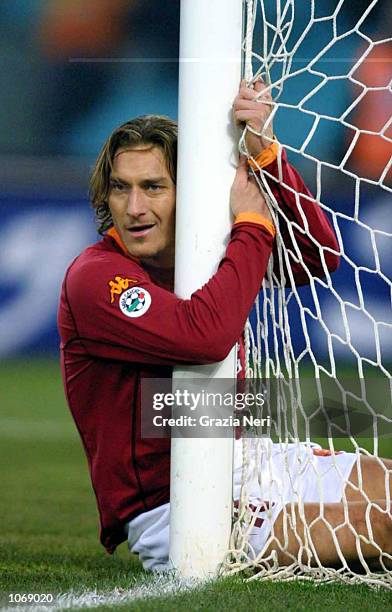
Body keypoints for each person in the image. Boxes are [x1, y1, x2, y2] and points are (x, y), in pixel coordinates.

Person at [58, 80, 392, 572]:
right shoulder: (96, 278)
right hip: (173, 506)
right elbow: (204, 338)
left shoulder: (206, 249)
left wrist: (265, 156)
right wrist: (253, 227)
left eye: (153, 187)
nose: (133, 208)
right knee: (384, 525)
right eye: (120, 188)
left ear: (187, 192)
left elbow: (320, 256)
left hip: (255, 463)